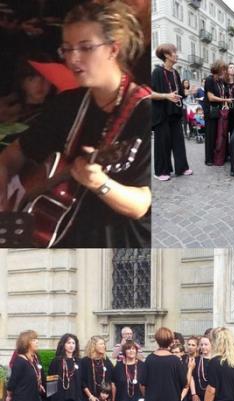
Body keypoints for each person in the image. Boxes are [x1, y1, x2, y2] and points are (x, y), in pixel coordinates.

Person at [0, 1, 151, 248]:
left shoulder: (146, 111)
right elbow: (11, 156)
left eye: (85, 47)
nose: (73, 59)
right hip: (57, 237)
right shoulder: (68, 105)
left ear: (114, 49)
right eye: (67, 49)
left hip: (117, 244)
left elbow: (140, 204)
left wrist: (100, 183)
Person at [151, 43, 191, 181]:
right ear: (167, 55)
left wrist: (188, 92)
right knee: (163, 144)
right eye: (174, 52)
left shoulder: (175, 73)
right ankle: (161, 171)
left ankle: (182, 167)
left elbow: (179, 93)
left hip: (175, 113)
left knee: (178, 142)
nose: (176, 54)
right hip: (162, 114)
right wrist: (166, 96)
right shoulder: (156, 72)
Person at [202, 60, 232, 166]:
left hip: (219, 111)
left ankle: (218, 156)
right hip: (210, 111)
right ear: (218, 69)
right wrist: (225, 100)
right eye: (223, 69)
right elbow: (211, 97)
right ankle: (209, 159)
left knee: (218, 134)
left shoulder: (221, 82)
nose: (225, 71)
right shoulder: (209, 80)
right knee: (210, 135)